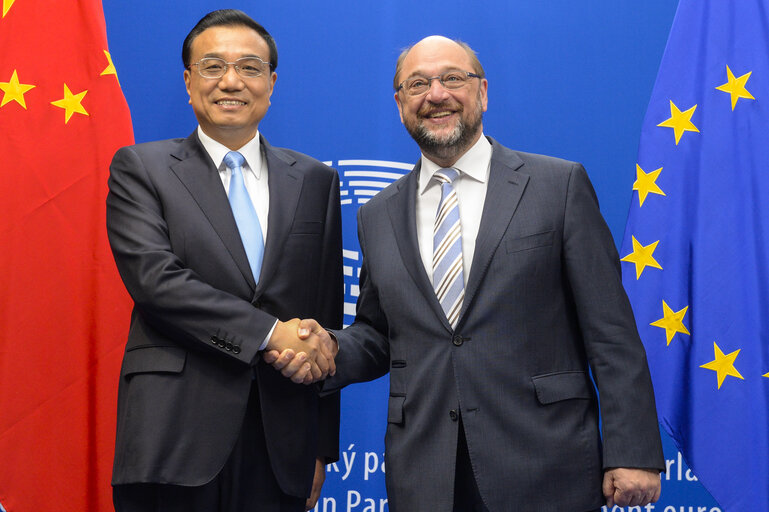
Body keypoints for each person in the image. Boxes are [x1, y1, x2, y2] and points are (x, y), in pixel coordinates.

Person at [267, 36, 665, 512]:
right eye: (418, 84)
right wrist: (330, 348)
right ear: (399, 104)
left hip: (545, 464)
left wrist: (633, 451)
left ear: (483, 92)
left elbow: (611, 331)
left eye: (453, 78)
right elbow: (378, 333)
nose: (436, 94)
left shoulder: (557, 186)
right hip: (426, 472)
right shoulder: (378, 213)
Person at [106, 9, 342, 512]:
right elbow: (157, 282)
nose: (231, 81)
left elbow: (324, 317)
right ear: (189, 82)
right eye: (212, 66)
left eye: (250, 67)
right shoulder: (141, 168)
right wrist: (268, 332)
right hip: (174, 435)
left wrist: (320, 445)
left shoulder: (315, 180)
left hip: (282, 442)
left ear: (271, 84)